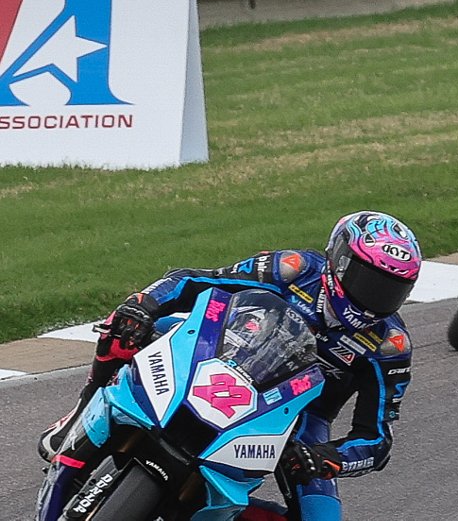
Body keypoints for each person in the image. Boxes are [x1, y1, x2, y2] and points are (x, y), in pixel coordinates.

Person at [38, 211, 422, 521]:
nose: (376, 297)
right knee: (126, 326)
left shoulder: (390, 345)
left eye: (392, 289)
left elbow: (377, 440)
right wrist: (143, 305)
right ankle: (78, 415)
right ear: (338, 260)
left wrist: (331, 458)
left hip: (298, 415)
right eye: (368, 279)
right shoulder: (292, 268)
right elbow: (194, 280)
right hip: (219, 355)